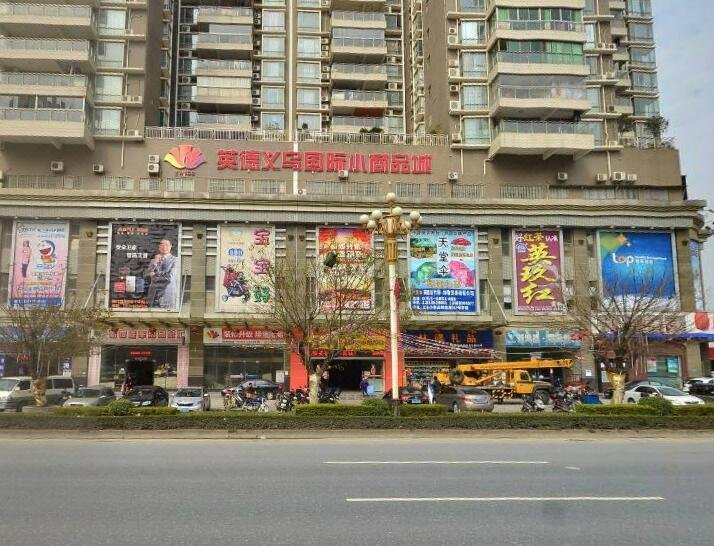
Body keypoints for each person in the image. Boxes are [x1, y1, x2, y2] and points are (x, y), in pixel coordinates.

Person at [146, 239, 178, 309]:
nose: (164, 247)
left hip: (167, 296)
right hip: (153, 296)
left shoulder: (175, 260)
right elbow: (147, 276)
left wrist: (155, 275)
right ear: (159, 247)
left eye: (167, 245)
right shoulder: (153, 261)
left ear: (171, 246)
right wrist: (155, 263)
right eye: (162, 245)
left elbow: (169, 277)